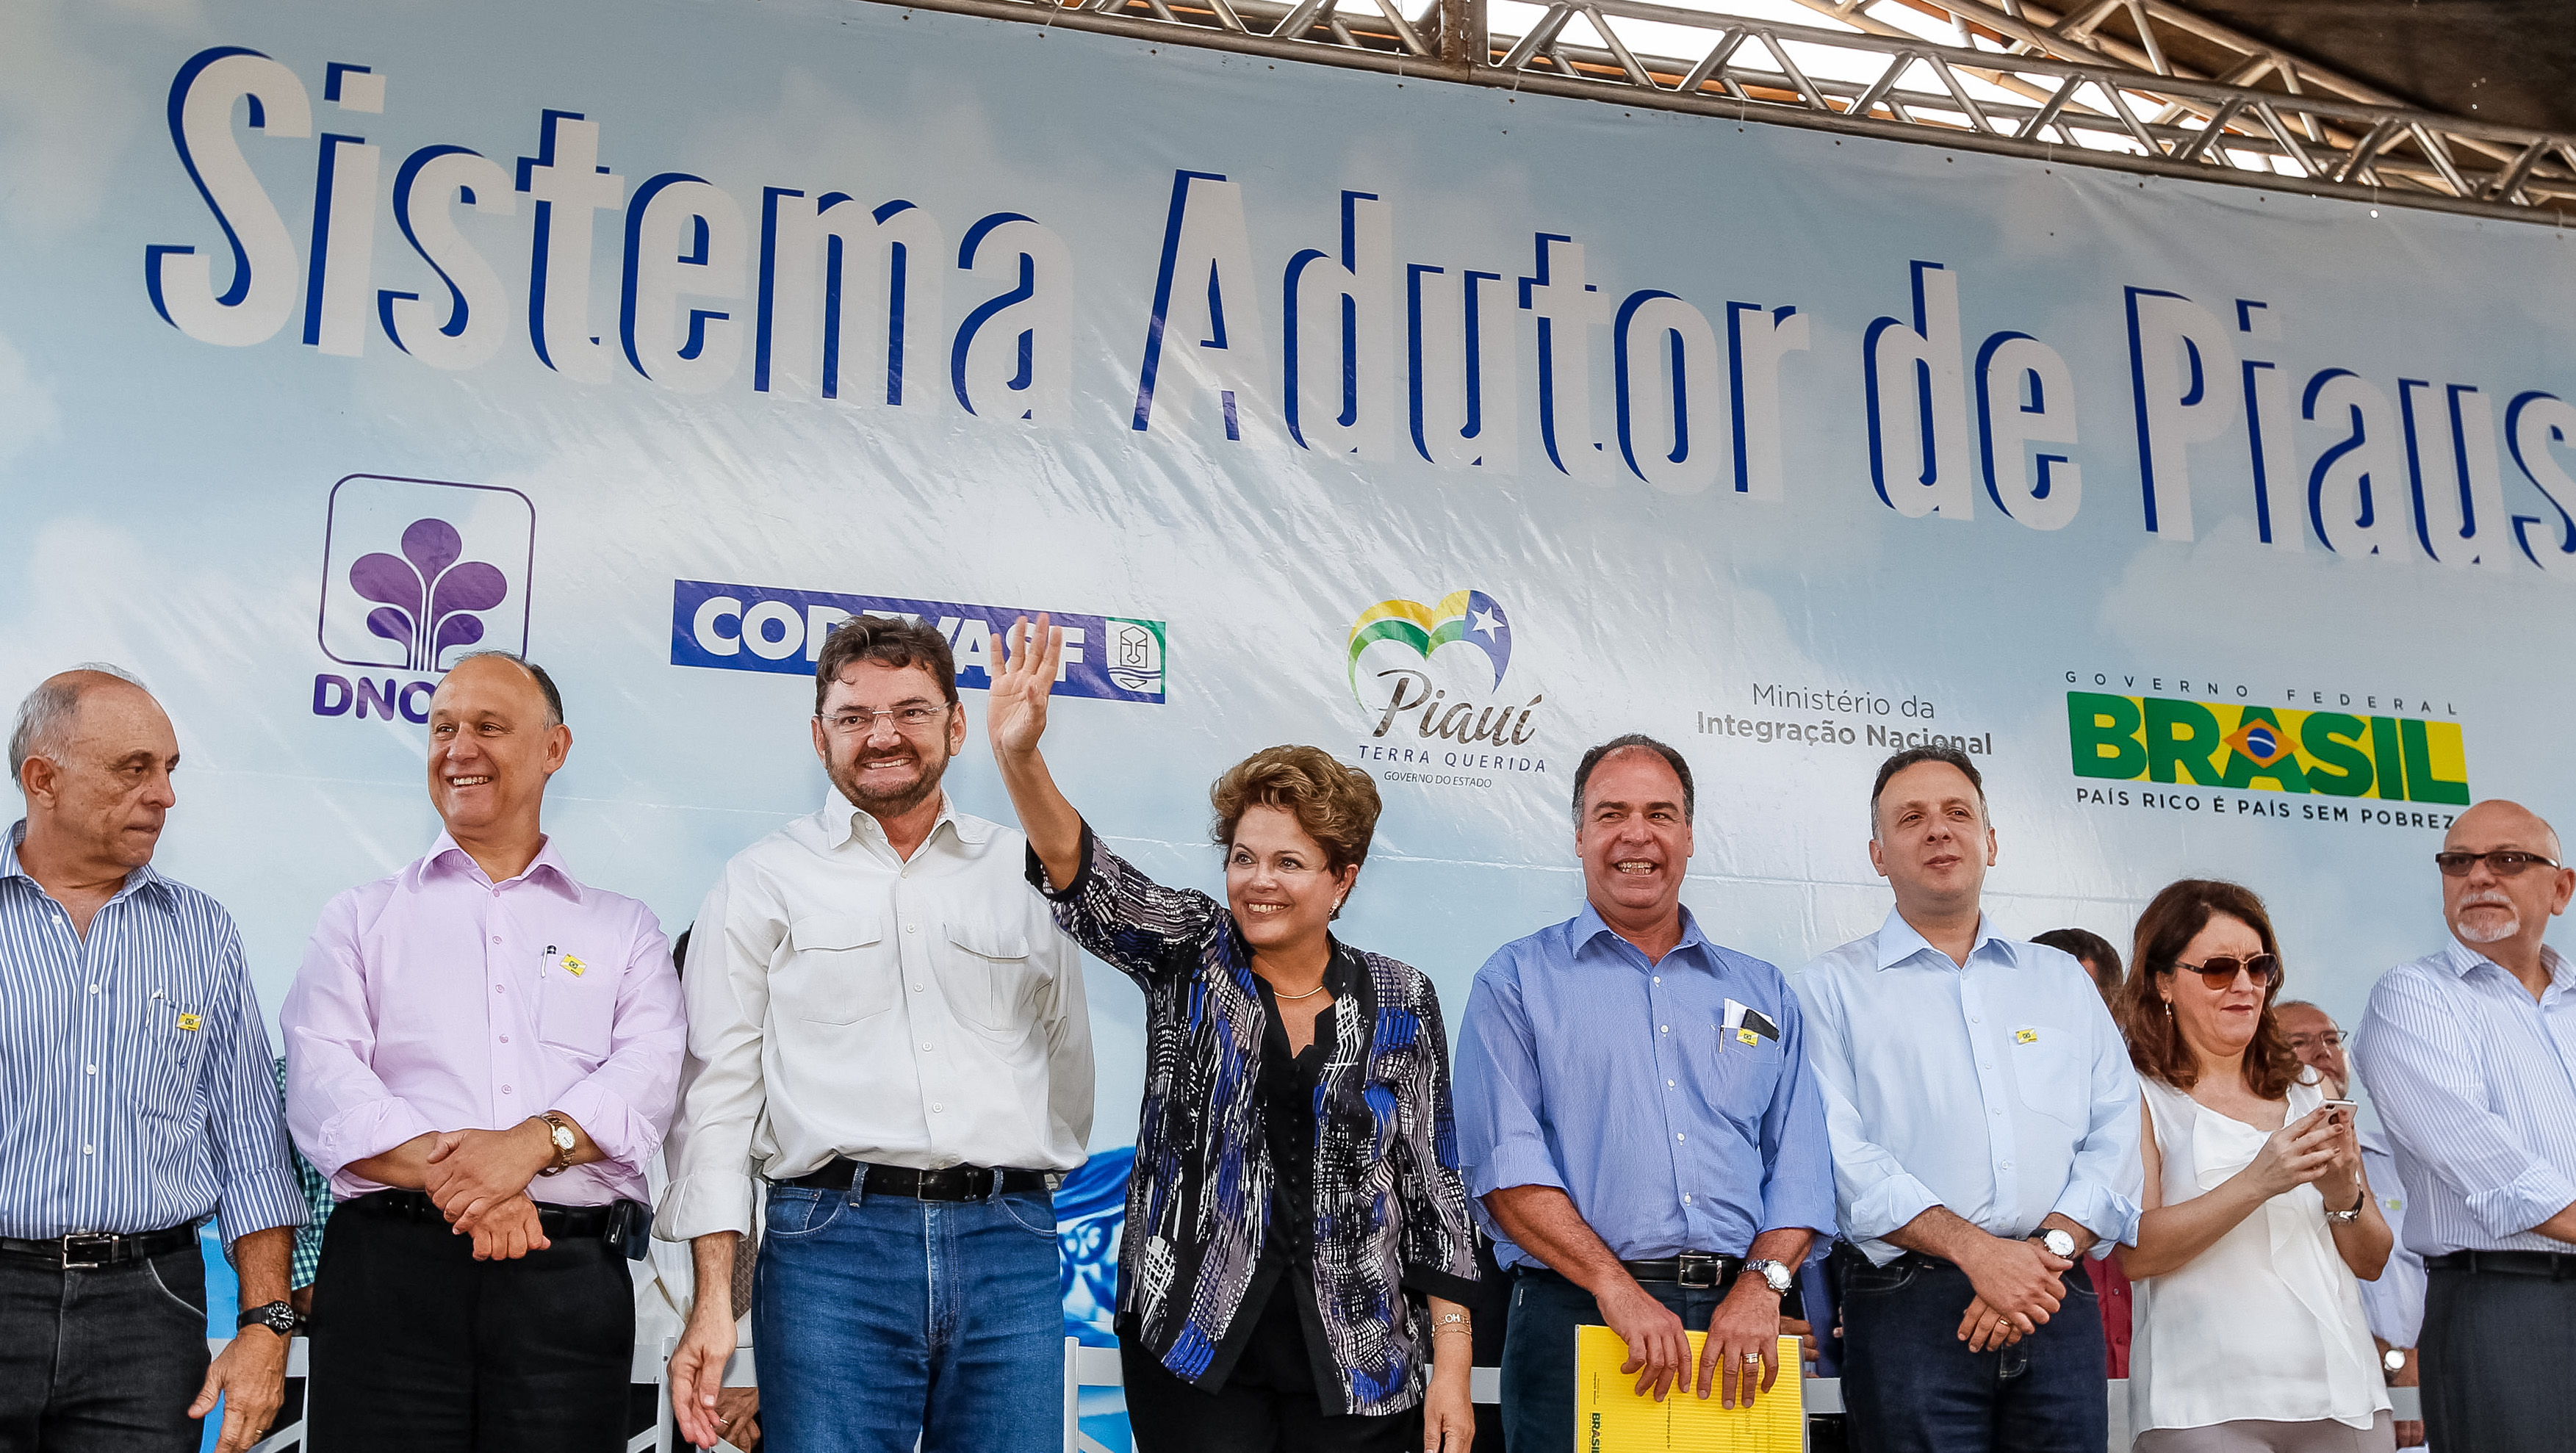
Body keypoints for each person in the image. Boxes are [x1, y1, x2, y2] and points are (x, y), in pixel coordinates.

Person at [987, 616, 1478, 1453]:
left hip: (1359, 1364)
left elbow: (1434, 1188)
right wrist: (1019, 757)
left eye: (1288, 862)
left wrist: (1454, 1375)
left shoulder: (1399, 995)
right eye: (1242, 857)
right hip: (1193, 1351)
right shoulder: (1190, 952)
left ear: (1341, 879)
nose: (1258, 881)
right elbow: (1084, 873)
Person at [660, 615, 1093, 1453]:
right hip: (830, 1251)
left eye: (911, 711)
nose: (882, 735)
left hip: (1011, 1247)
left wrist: (1015, 1180)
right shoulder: (760, 881)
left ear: (957, 725)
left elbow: (1067, 1061)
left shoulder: (1027, 872)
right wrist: (714, 1298)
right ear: (818, 737)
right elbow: (713, 1102)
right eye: (853, 716)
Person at [282, 652, 687, 1453]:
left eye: (489, 727)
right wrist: (474, 1179)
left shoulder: (623, 928)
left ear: (554, 748)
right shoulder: (359, 918)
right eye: (442, 728)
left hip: (565, 1289)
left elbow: (649, 1077)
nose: (458, 748)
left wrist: (529, 1147)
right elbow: (324, 1081)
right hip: (390, 1283)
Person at [1453, 734, 1834, 1448]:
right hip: (1580, 1318)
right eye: (1610, 813)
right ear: (1578, 835)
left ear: (1688, 835)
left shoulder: (1763, 990)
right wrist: (1614, 1289)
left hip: (1740, 1323)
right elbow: (1506, 1170)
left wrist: (1760, 1285)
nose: (1636, 833)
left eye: (1659, 813)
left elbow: (1803, 1170)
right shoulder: (1514, 982)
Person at [1797, 746, 2141, 1453]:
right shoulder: (1828, 988)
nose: (1938, 830)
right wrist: (1980, 1254)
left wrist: (2040, 1252)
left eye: (1958, 813)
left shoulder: (2061, 981)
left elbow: (2116, 1128)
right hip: (1909, 1306)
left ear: (1991, 841)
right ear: (1878, 853)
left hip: (2054, 1294)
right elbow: (1837, 1153)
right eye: (1911, 817)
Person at [0, 665, 306, 1453]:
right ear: (43, 779)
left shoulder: (203, 932)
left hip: (151, 1308)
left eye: (169, 769)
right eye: (134, 768)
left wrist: (267, 1325)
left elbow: (251, 1147)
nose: (165, 794)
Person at [2116, 881, 2394, 1451]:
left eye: (2258, 966)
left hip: (2345, 1397)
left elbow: (2372, 1260)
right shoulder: (2137, 1094)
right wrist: (2259, 1181)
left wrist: (2345, 1195)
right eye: (2218, 969)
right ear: (2164, 981)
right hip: (2204, 1402)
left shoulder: (2310, 1090)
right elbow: (2136, 1253)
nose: (2244, 986)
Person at [2355, 798, 2576, 1453]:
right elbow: (2491, 1166)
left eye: (2509, 860)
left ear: (2561, 889)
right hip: (2508, 1306)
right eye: (2458, 862)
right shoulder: (2414, 997)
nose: (2479, 876)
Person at [2278, 1002, 2425, 1450]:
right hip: (2323, 1409)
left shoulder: (2408, 1162)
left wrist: (2429, 1369)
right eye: (2299, 1043)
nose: (2321, 1052)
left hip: (2437, 1395)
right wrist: (2395, 1365)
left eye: (2330, 1038)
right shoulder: (2272, 1172)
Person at [2035, 926, 2136, 1380]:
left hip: (2157, 1370)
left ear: (2115, 1008)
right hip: (2047, 1360)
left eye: (2084, 999)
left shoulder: (2148, 1100)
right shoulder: (2006, 1123)